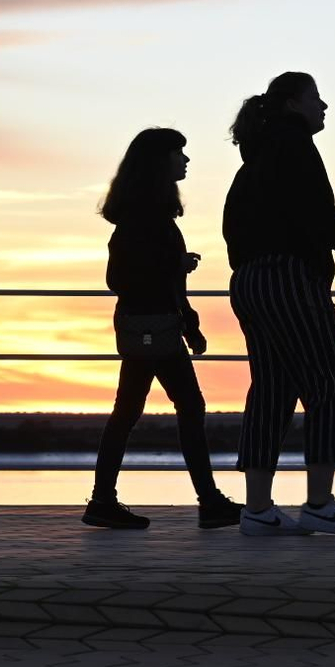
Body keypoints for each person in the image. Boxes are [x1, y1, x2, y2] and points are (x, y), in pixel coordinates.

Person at [222, 71, 335, 536]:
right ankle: (320, 503)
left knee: (272, 391)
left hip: (249, 281)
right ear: (292, 105)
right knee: (333, 382)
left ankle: (258, 510)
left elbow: (234, 228)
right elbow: (321, 215)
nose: (324, 107)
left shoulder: (254, 161)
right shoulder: (295, 145)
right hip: (288, 279)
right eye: (316, 98)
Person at [83, 127, 243, 530]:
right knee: (185, 406)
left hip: (150, 325)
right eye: (178, 153)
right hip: (154, 327)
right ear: (160, 162)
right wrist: (176, 266)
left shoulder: (144, 215)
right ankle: (208, 502)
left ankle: (104, 500)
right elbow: (121, 278)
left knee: (131, 411)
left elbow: (152, 278)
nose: (185, 160)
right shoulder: (145, 218)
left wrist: (188, 318)